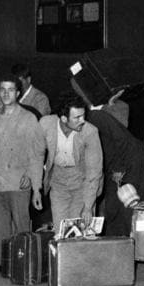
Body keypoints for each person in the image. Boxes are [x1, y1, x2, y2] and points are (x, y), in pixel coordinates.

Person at [0, 74, 45, 271]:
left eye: (10, 89)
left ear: (18, 93)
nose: (6, 93)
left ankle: (24, 262)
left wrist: (35, 185)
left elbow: (37, 153)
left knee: (21, 224)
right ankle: (3, 263)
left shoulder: (29, 118)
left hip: (19, 181)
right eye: (3, 90)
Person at [40, 94, 103, 231]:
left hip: (82, 184)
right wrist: (35, 188)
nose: (82, 120)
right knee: (60, 232)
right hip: (58, 184)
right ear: (63, 118)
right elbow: (35, 154)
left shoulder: (90, 132)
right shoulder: (45, 124)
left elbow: (94, 171)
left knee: (80, 233)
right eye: (77, 117)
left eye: (83, 115)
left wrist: (87, 207)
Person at [86, 107, 144, 236]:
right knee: (112, 209)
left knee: (128, 208)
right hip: (112, 168)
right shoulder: (78, 127)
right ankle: (117, 248)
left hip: (130, 162)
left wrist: (119, 168)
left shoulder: (96, 117)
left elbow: (122, 140)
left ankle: (136, 248)